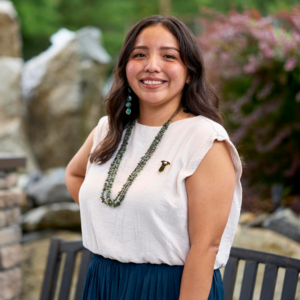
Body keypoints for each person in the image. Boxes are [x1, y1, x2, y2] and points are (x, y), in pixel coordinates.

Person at [65, 15, 243, 300]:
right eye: (140, 54)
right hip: (103, 280)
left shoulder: (204, 139)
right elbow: (74, 175)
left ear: (189, 71)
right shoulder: (108, 128)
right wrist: (116, 219)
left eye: (169, 56)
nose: (152, 66)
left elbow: (205, 246)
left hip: (169, 287)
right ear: (125, 67)